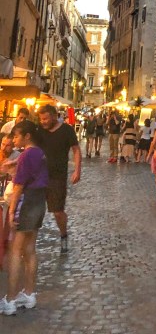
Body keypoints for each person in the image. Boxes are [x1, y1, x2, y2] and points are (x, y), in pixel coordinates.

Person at [0, 120, 48, 315]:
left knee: (15, 251)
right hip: (38, 202)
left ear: (27, 136)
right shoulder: (39, 152)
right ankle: (28, 294)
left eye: (17, 136)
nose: (14, 139)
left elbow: (19, 185)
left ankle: (9, 300)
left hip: (26, 203)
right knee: (29, 249)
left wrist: (11, 211)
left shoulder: (26, 154)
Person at [37, 103, 81, 255]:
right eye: (41, 119)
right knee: (34, 208)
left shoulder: (67, 130)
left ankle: (63, 234)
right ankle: (30, 238)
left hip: (57, 176)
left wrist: (77, 170)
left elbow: (76, 150)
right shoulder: (39, 131)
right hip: (38, 175)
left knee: (57, 211)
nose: (43, 122)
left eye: (45, 119)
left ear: (54, 116)